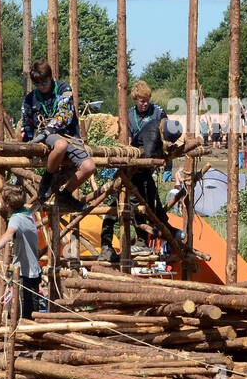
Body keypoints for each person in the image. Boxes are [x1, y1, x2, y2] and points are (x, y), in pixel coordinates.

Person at [101, 81, 173, 262]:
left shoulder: (158, 112)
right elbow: (123, 138)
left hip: (146, 168)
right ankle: (105, 244)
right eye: (141, 100)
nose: (144, 103)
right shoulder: (128, 115)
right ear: (135, 99)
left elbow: (168, 134)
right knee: (115, 205)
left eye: (147, 99)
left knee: (149, 206)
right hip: (129, 169)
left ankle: (145, 240)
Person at [20, 60, 95, 212]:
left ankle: (65, 194)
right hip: (47, 137)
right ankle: (47, 178)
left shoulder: (64, 89)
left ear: (51, 77)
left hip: (68, 134)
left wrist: (48, 130)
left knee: (89, 167)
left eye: (45, 82)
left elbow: (65, 115)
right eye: (38, 84)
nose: (42, 86)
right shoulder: (30, 99)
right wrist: (28, 142)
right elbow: (26, 123)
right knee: (60, 145)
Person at [0, 184, 43, 321]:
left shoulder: (17, 218)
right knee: (26, 313)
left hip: (25, 275)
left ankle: (26, 341)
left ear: (7, 204)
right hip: (32, 272)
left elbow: (9, 233)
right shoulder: (27, 214)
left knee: (21, 316)